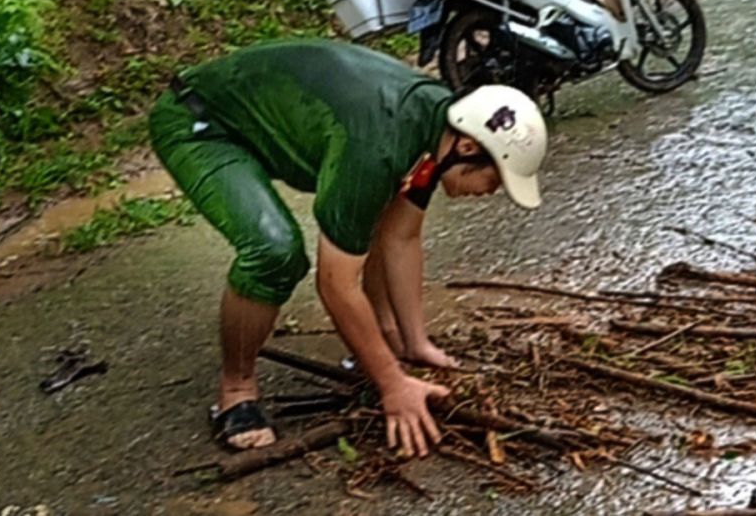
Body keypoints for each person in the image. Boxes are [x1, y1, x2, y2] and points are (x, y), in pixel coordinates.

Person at [148, 38, 547, 456]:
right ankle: (236, 391)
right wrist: (392, 384)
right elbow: (336, 284)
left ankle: (385, 345)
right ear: (468, 147)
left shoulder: (436, 129)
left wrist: (412, 342)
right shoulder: (377, 148)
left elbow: (400, 236)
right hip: (201, 124)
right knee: (275, 251)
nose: (491, 192)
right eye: (495, 179)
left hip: (260, 121)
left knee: (374, 217)